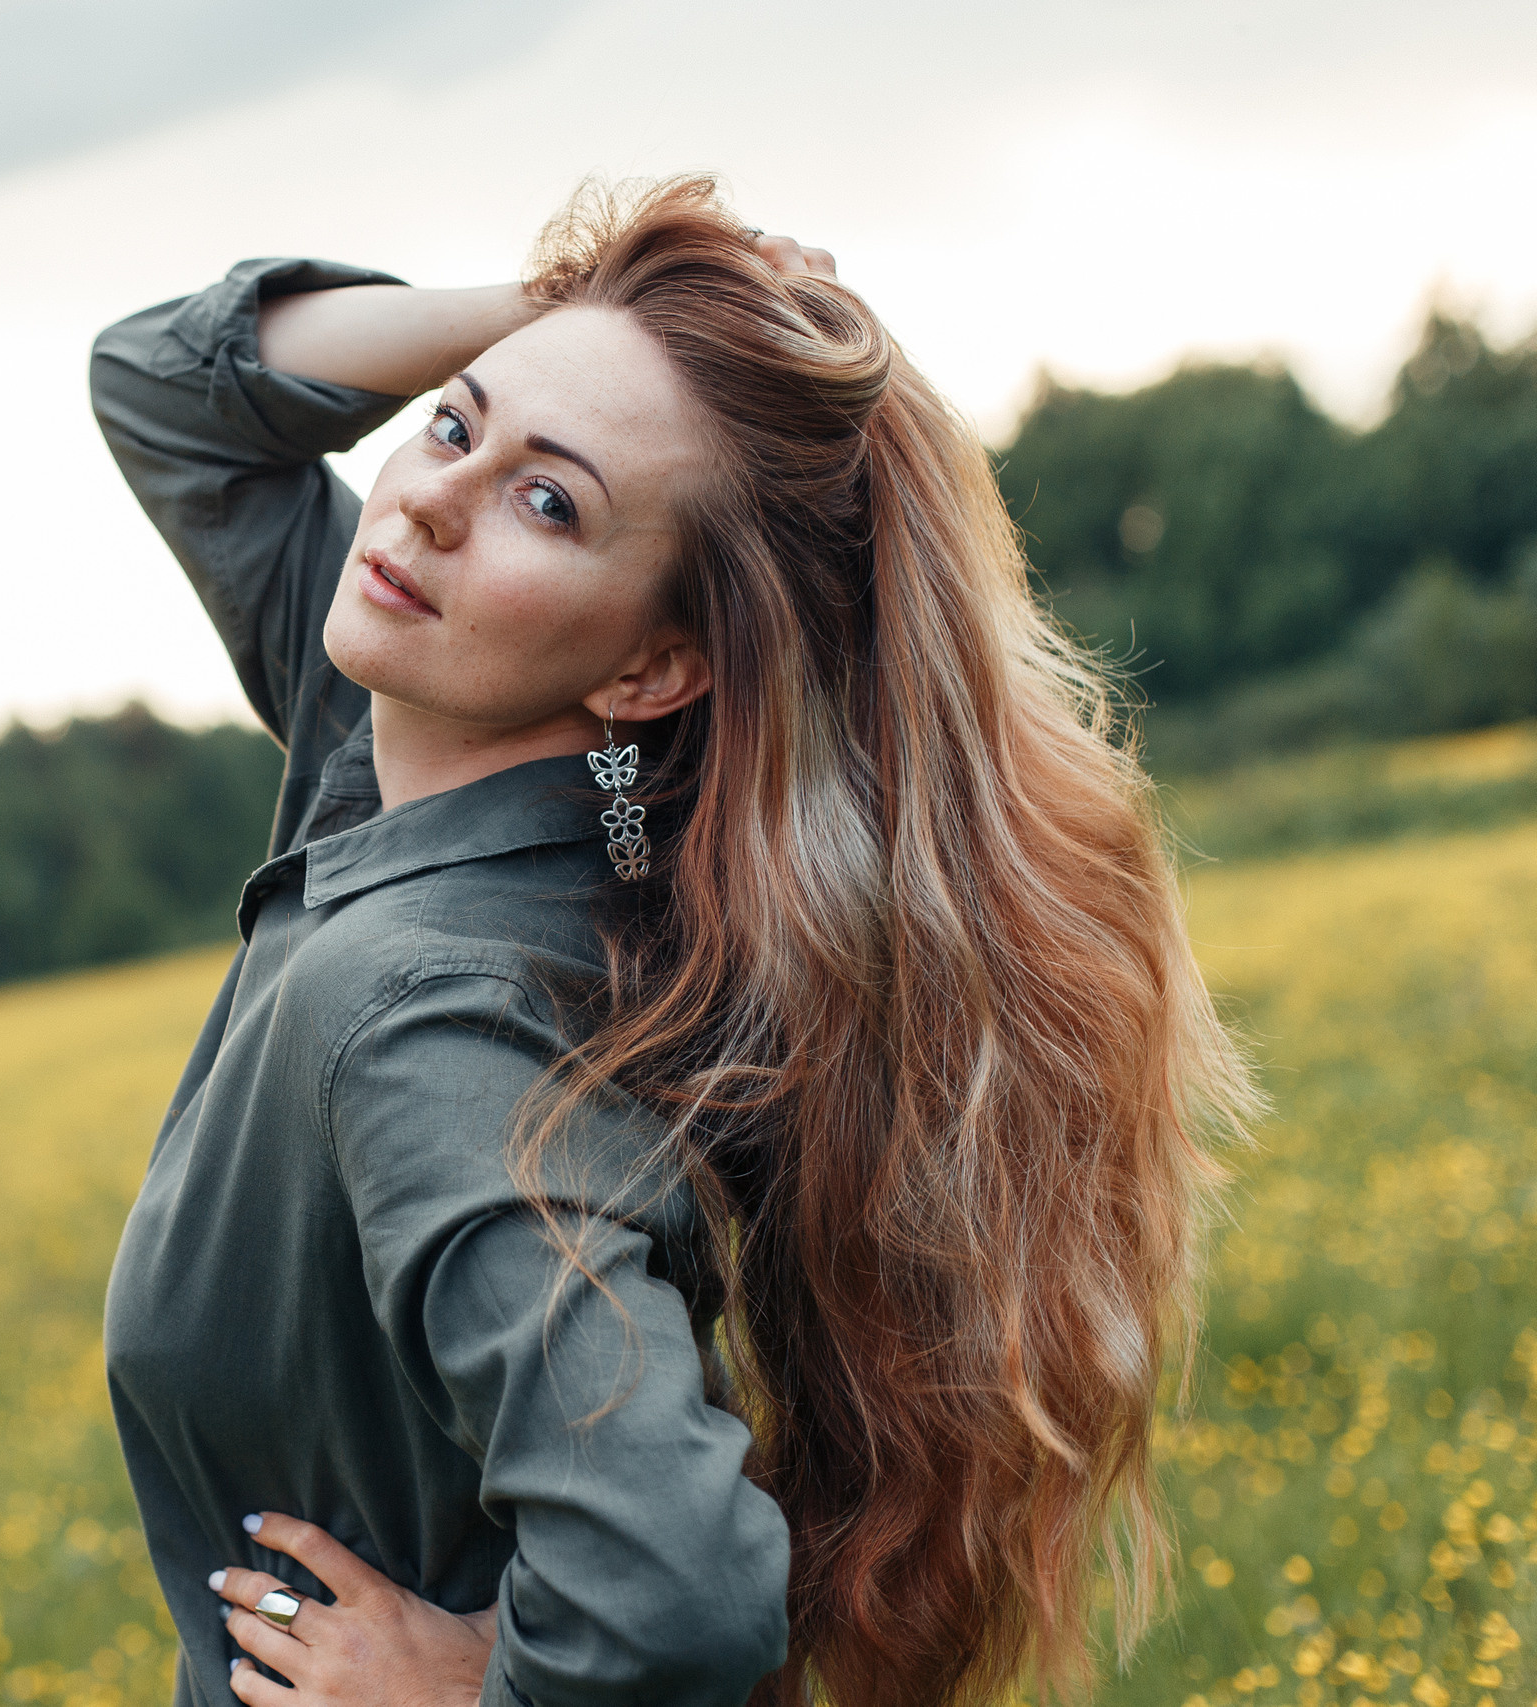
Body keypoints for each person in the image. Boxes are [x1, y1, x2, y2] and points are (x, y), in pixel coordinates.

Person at [90, 176, 1253, 1707]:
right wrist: (574, 322)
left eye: (549, 500)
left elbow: (679, 1597)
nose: (433, 498)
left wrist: (466, 1698)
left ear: (652, 668)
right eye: (453, 423)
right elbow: (166, 383)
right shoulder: (399, 761)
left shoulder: (424, 1015)